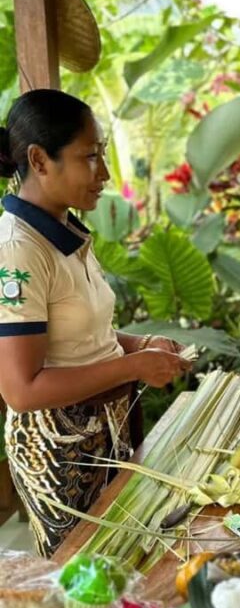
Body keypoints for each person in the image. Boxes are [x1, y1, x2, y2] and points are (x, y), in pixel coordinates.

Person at [0, 89, 191, 556]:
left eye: (102, 155)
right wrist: (134, 366)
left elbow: (82, 336)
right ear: (40, 160)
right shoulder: (18, 248)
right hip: (58, 451)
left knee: (125, 564)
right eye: (90, 157)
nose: (104, 174)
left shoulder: (64, 230)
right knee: (86, 579)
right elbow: (20, 390)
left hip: (105, 431)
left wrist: (135, 344)